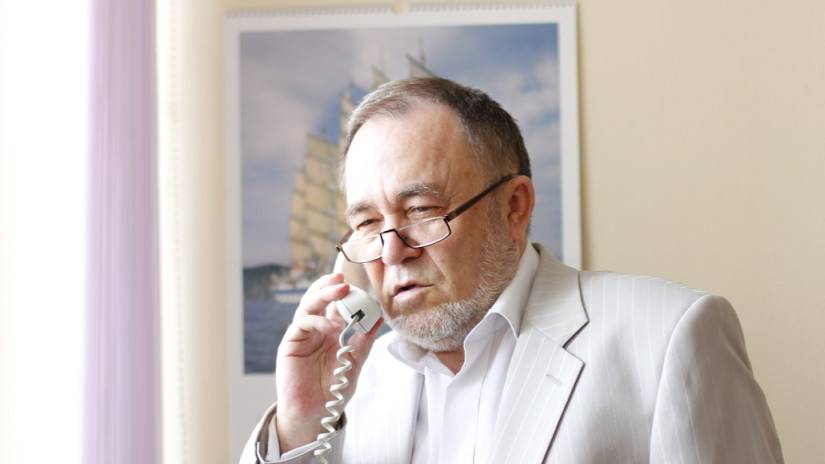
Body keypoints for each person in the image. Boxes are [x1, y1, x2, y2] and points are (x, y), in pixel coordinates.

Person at [240, 77, 783, 463]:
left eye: (421, 211)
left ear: (514, 207)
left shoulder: (669, 336)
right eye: (366, 224)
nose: (391, 252)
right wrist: (299, 425)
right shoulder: (350, 387)